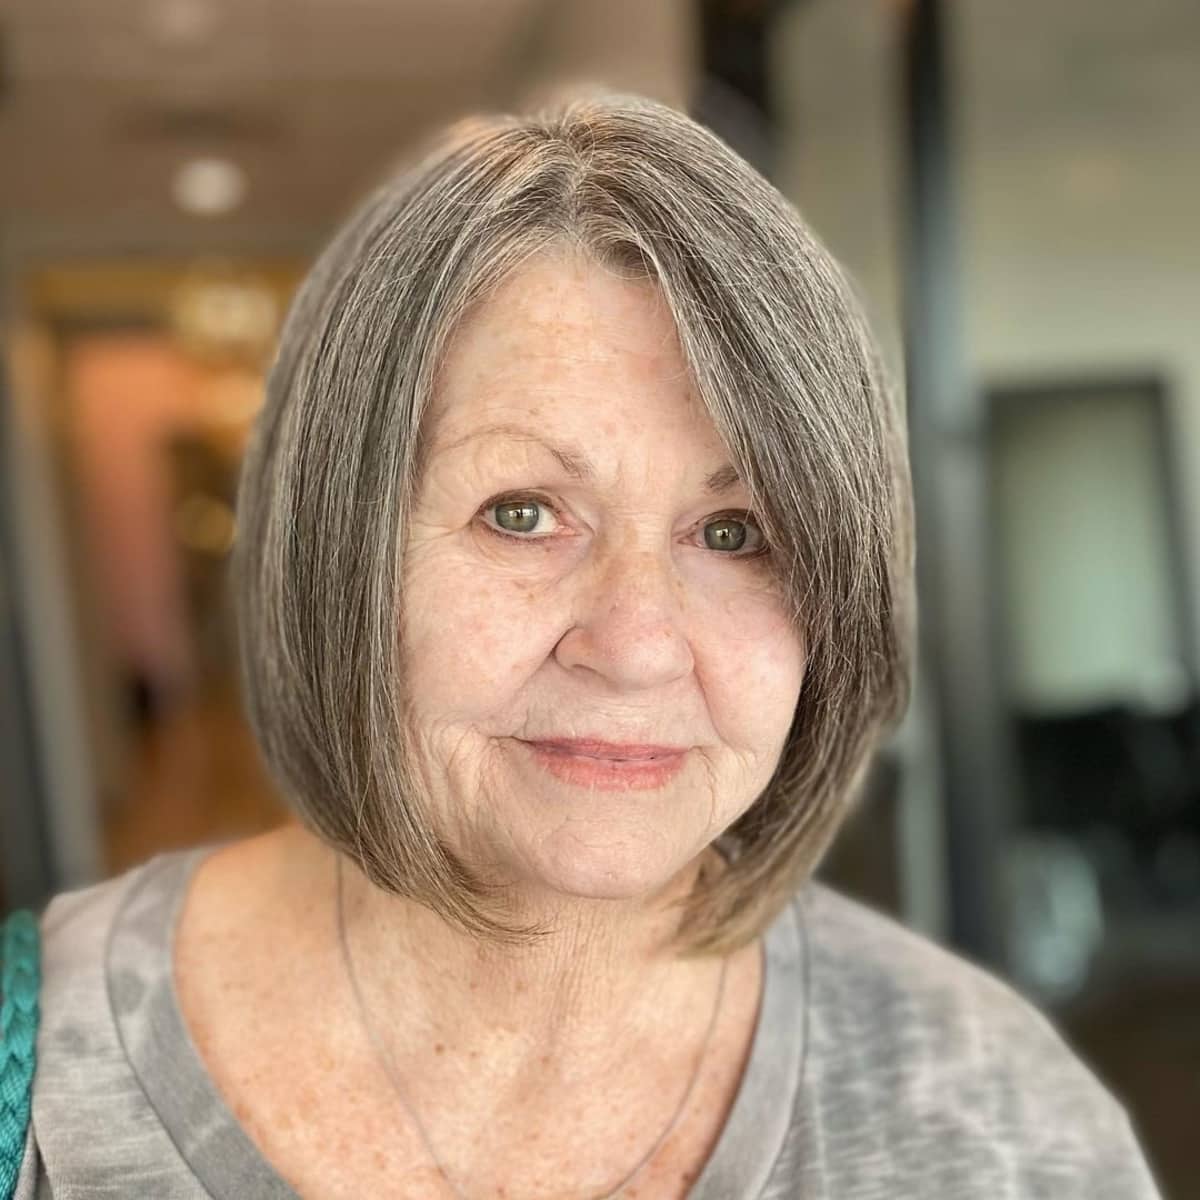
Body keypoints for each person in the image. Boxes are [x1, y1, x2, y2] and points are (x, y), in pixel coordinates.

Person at [8, 93, 1162, 1199]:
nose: (637, 646)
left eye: (735, 532)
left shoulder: (1004, 1119)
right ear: (337, 555)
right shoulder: (41, 1079)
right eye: (521, 513)